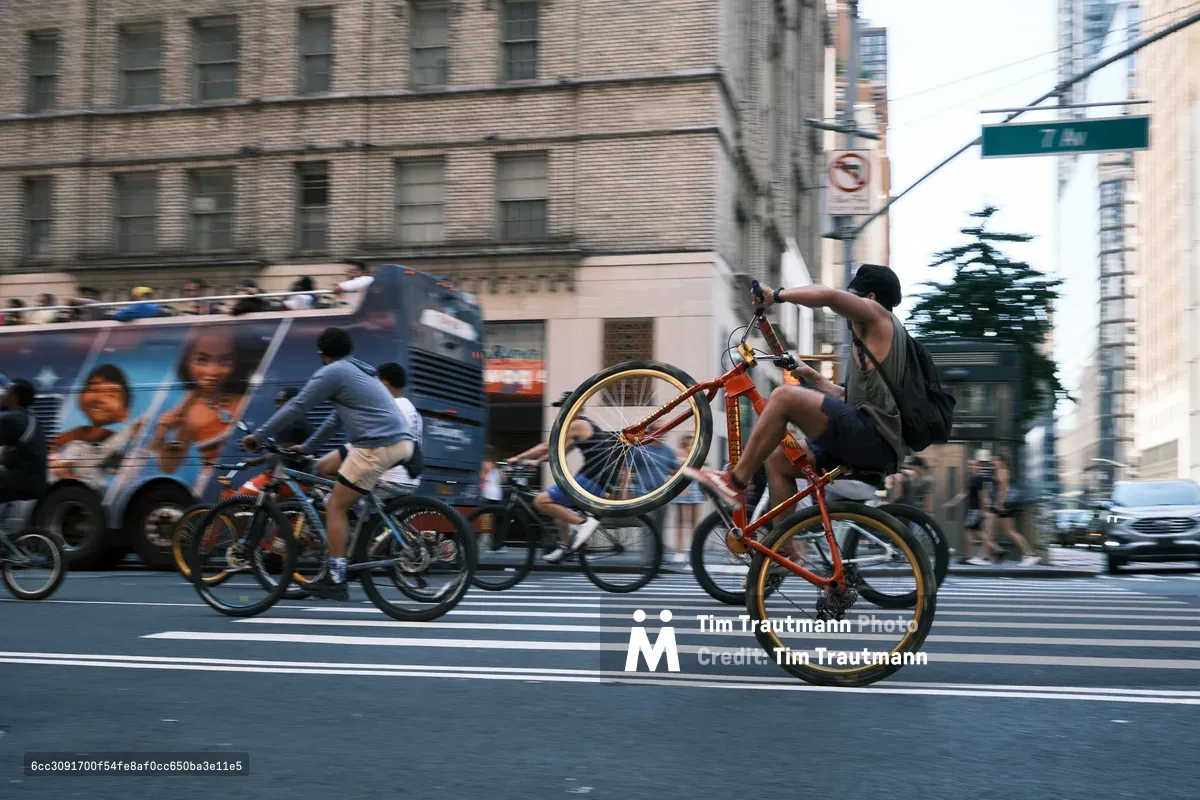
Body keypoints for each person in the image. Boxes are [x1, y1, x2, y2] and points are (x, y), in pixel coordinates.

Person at [683, 264, 909, 516]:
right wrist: (811, 375)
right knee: (779, 458)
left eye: (852, 295)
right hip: (870, 441)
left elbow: (829, 297)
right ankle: (785, 549)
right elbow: (847, 397)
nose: (847, 309)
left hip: (871, 438)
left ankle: (734, 482)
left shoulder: (878, 316)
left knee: (783, 397)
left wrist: (776, 295)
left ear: (870, 298)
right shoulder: (876, 343)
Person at [242, 327, 417, 601]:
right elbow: (335, 419)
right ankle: (348, 528)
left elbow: (297, 405)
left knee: (335, 504)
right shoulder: (359, 371)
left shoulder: (333, 371)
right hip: (398, 443)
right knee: (324, 470)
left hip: (376, 445)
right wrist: (307, 447)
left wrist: (259, 436)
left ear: (322, 354)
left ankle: (335, 577)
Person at [509, 390, 609, 563]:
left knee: (541, 501)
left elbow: (547, 446)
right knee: (555, 504)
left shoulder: (576, 424)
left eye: (564, 407)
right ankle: (566, 547)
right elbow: (558, 452)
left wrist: (517, 458)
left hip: (595, 479)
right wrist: (536, 462)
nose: (561, 412)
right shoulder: (581, 426)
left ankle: (583, 524)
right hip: (599, 479)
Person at [151, 329, 269, 473]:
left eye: (225, 361)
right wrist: (161, 433)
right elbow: (169, 467)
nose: (212, 372)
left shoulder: (249, 401)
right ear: (186, 363)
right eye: (202, 360)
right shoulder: (190, 412)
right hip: (218, 484)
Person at [49, 364, 141, 493]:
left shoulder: (110, 437)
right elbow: (54, 453)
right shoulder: (75, 438)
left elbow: (114, 458)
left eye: (111, 395)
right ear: (80, 397)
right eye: (93, 389)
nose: (99, 399)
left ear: (124, 413)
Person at [0, 379, 48, 506]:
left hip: (22, 480)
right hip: (36, 482)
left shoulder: (12, 418)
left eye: (7, 393)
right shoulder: (30, 418)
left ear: (14, 398)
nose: (3, 395)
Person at [989, 454, 1039, 566]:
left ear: (1002, 461)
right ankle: (997, 553)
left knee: (1010, 531)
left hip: (1005, 505)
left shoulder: (1002, 472)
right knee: (1005, 530)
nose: (993, 462)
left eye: (995, 460)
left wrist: (999, 504)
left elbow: (1004, 490)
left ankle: (1030, 555)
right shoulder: (1002, 472)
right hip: (1004, 505)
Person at [944, 458, 993, 565]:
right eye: (970, 465)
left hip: (975, 509)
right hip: (972, 509)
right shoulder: (971, 479)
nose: (972, 467)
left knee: (968, 532)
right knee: (976, 533)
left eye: (974, 465)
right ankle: (985, 555)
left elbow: (983, 495)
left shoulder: (979, 479)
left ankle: (969, 556)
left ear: (978, 466)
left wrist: (983, 510)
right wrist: (952, 503)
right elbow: (963, 494)